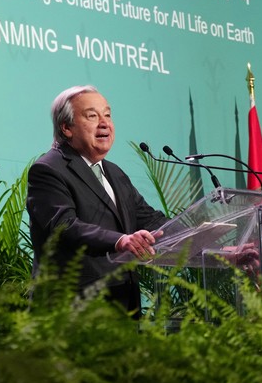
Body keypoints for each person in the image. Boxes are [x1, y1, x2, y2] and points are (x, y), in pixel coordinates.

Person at [26, 85, 169, 317]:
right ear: (66, 127)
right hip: (71, 311)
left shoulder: (115, 173)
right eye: (92, 116)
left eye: (108, 115)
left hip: (122, 308)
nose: (105, 123)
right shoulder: (48, 169)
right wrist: (121, 241)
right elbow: (64, 226)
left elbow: (153, 222)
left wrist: (218, 248)